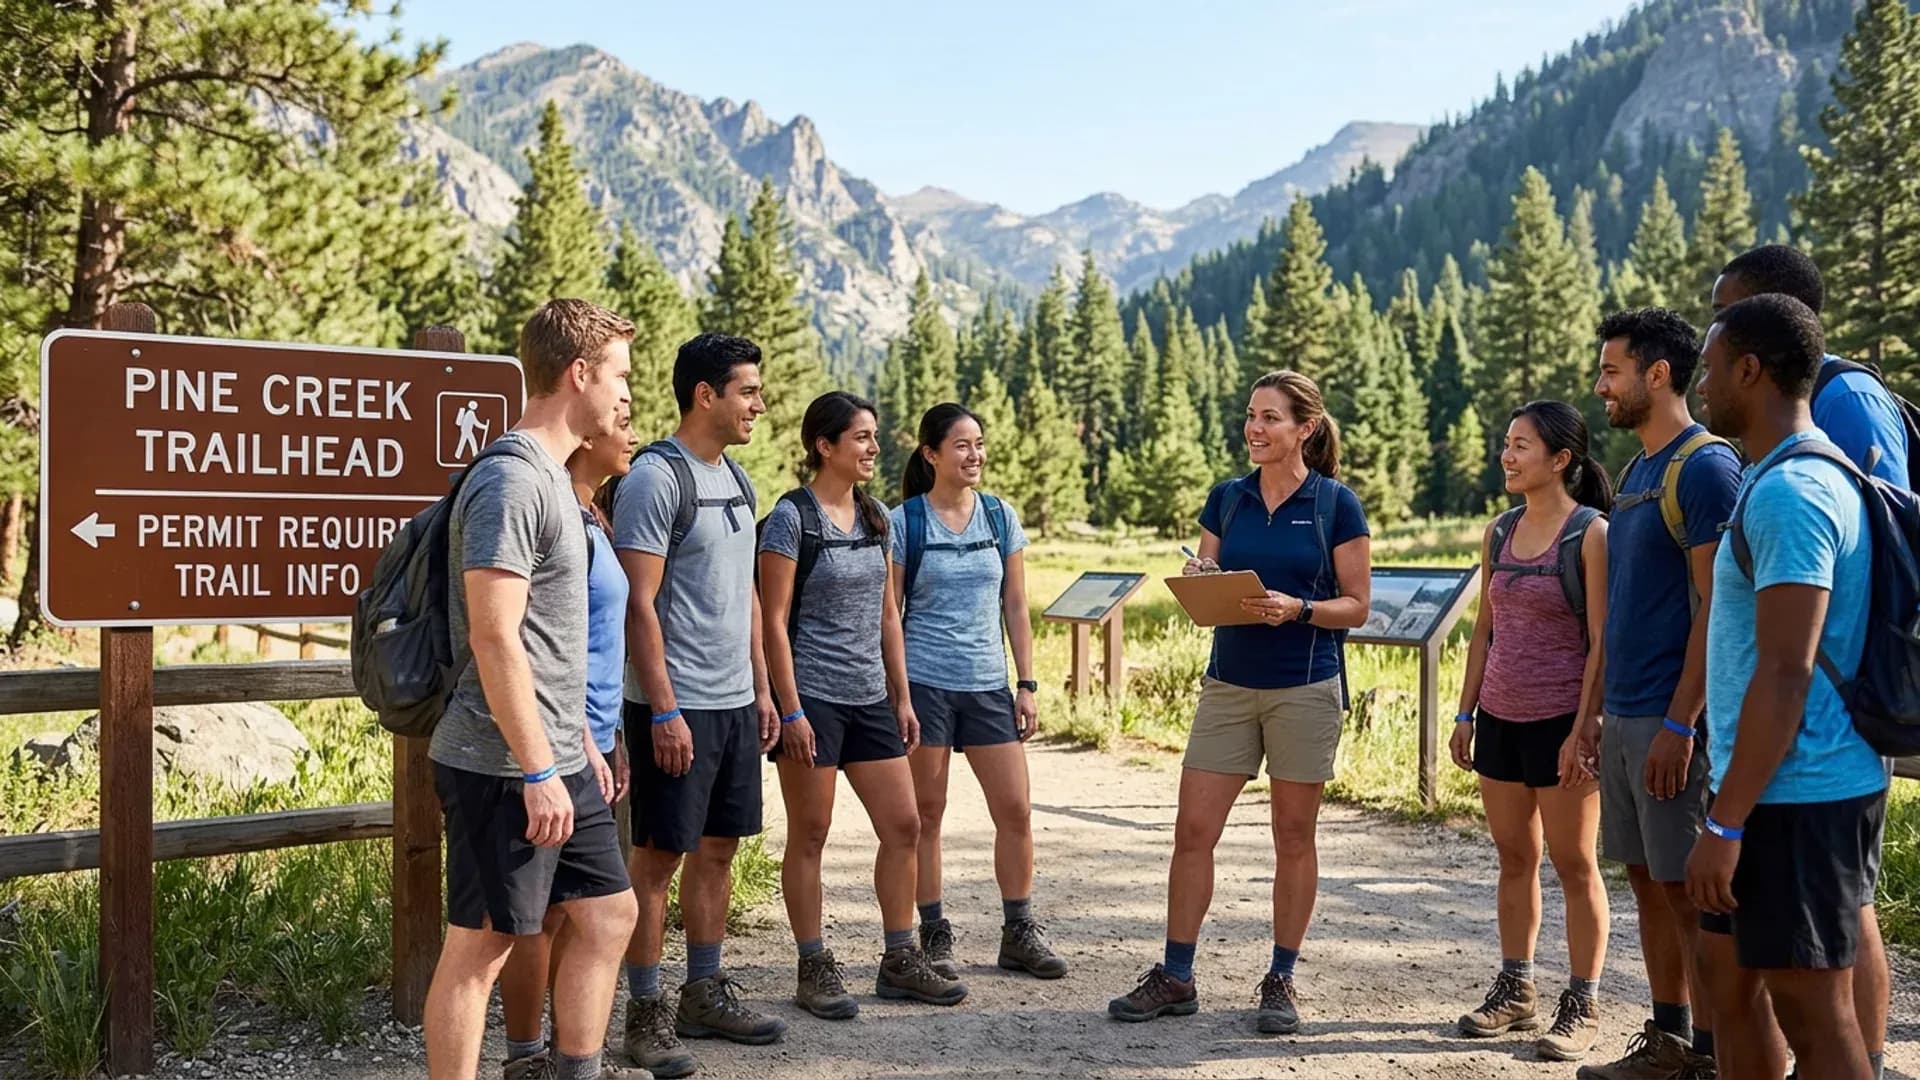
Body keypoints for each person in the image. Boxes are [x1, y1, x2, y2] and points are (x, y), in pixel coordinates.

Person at [1107, 370, 1370, 1036]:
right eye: (1251, 416)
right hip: (1227, 684)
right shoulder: (1227, 499)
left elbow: (1357, 606)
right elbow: (1209, 585)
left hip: (1305, 688)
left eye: (1271, 418)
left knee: (1292, 838)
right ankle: (1176, 974)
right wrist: (1202, 581)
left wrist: (1301, 607)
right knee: (1192, 832)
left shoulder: (1337, 504)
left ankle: (1280, 978)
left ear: (1304, 429)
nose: (1255, 428)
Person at [422, 299, 642, 1080]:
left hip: (557, 752)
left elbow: (551, 639)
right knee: (481, 950)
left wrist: (575, 739)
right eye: (617, 374)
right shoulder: (512, 482)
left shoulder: (556, 481)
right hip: (500, 764)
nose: (625, 396)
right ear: (578, 373)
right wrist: (541, 767)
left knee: (611, 914)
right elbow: (494, 634)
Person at [1688, 293, 1888, 1080]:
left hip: (1799, 795)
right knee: (1728, 984)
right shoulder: (1776, 477)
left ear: (1750, 369)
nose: (1703, 387)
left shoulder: (1795, 493)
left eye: (1710, 370)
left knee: (1813, 1011)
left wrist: (1727, 823)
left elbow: (1787, 667)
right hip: (1765, 787)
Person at [758, 391, 968, 1017]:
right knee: (812, 834)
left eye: (875, 437)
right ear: (825, 446)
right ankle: (813, 965)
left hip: (871, 698)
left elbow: (886, 617)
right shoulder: (791, 519)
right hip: (814, 702)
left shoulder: (876, 517)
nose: (874, 448)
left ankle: (900, 958)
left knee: (904, 826)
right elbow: (771, 622)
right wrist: (789, 710)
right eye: (861, 438)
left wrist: (901, 699)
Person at [615, 333, 784, 1079]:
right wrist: (662, 709)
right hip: (673, 706)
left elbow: (746, 594)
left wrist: (763, 690)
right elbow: (636, 605)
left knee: (719, 850)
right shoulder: (657, 478)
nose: (759, 404)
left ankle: (703, 993)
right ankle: (644, 1015)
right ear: (705, 394)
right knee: (656, 862)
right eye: (747, 390)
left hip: (733, 704)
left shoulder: (738, 480)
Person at [1579, 308, 1741, 1080]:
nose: (1600, 385)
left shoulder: (1703, 467)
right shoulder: (1641, 471)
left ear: (1657, 374)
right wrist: (1595, 716)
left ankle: (1714, 1054)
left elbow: (1718, 604)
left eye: (1611, 370)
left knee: (1688, 896)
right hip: (1625, 716)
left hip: (1671, 723)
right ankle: (1671, 1039)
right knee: (1647, 884)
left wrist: (1684, 722)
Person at [1449, 401, 1613, 1063]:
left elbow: (1602, 640)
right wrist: (1465, 715)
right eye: (1506, 444)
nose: (1508, 456)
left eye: (1521, 446)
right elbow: (1484, 631)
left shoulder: (1590, 534)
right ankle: (1517, 989)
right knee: (1515, 859)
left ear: (1561, 459)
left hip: (1561, 725)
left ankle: (1584, 1002)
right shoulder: (1498, 532)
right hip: (1500, 720)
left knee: (1575, 865)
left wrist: (1585, 729)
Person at [890, 403, 1066, 982]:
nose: (975, 455)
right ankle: (933, 931)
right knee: (926, 816)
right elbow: (890, 612)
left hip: (989, 684)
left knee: (1015, 810)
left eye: (980, 444)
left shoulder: (999, 515)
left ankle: (1019, 930)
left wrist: (1027, 683)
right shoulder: (905, 522)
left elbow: (1015, 604)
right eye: (962, 445)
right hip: (926, 684)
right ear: (931, 455)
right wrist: (899, 695)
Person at [496, 408, 641, 1078]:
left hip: (592, 738)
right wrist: (579, 736)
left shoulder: (594, 517)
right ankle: (532, 1060)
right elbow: (530, 641)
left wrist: (611, 738)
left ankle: (563, 1055)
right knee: (549, 918)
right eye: (623, 420)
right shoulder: (559, 518)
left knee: (576, 915)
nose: (632, 434)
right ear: (585, 438)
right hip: (560, 741)